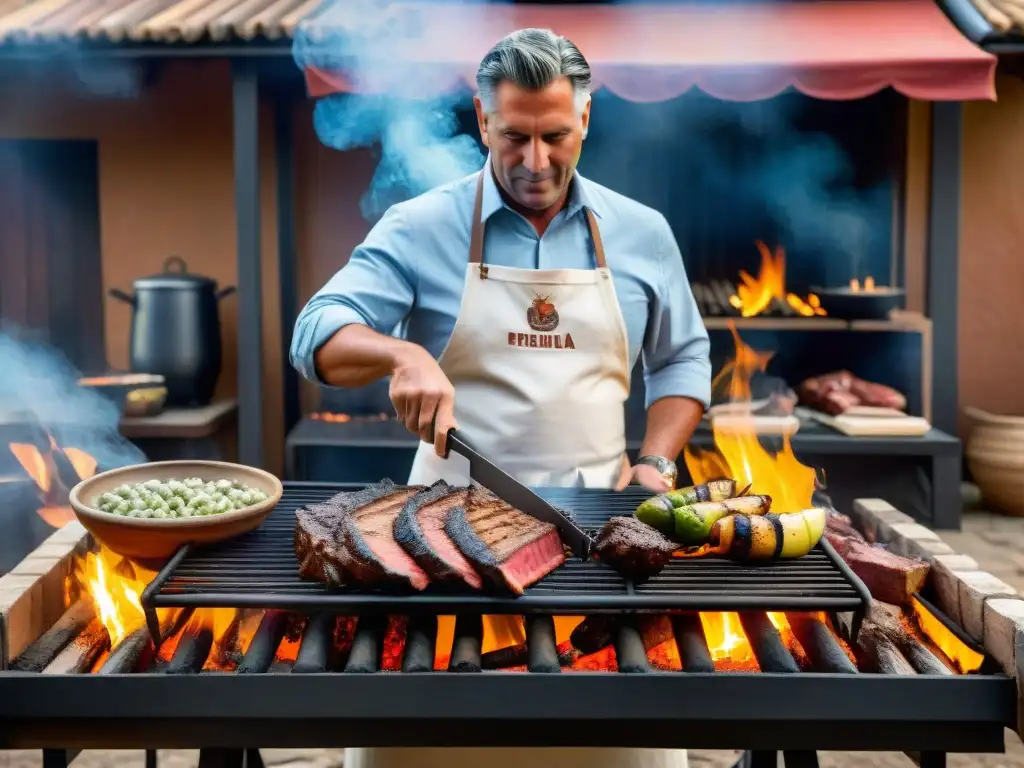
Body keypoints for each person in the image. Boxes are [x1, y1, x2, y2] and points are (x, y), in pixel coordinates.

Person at [291, 27, 711, 768]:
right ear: (483, 120)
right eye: (515, 136)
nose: (536, 160)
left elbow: (682, 359)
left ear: (586, 118)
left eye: (555, 135)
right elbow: (316, 332)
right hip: (441, 550)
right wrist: (401, 352)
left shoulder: (643, 234)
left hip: (591, 540)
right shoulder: (421, 226)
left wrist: (656, 463)